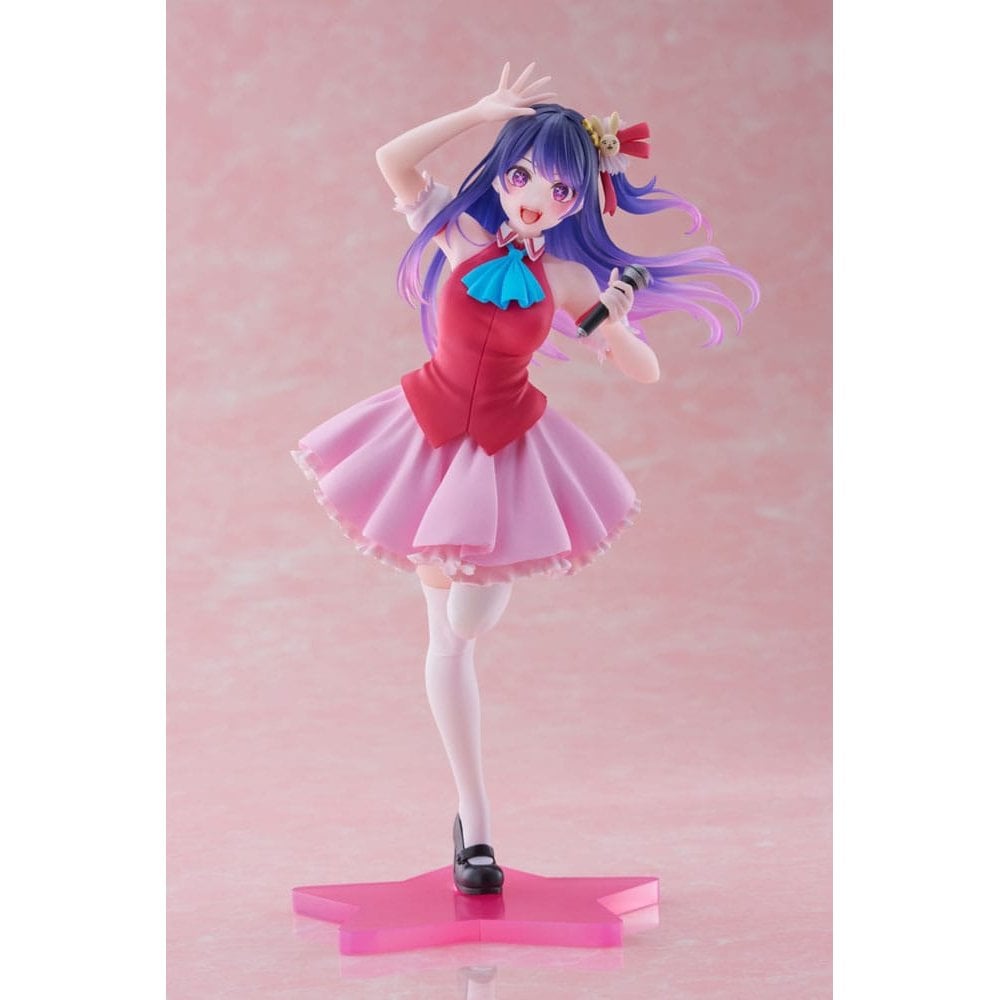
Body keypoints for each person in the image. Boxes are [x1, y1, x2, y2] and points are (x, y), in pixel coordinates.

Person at [293, 63, 758, 895]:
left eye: (558, 187)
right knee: (445, 633)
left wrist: (618, 329)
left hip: (505, 450)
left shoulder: (570, 280)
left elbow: (643, 370)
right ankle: (475, 828)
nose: (535, 197)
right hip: (426, 437)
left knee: (466, 619)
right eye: (521, 177)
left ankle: (472, 804)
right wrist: (476, 111)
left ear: (580, 200)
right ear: (503, 177)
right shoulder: (458, 231)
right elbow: (392, 160)